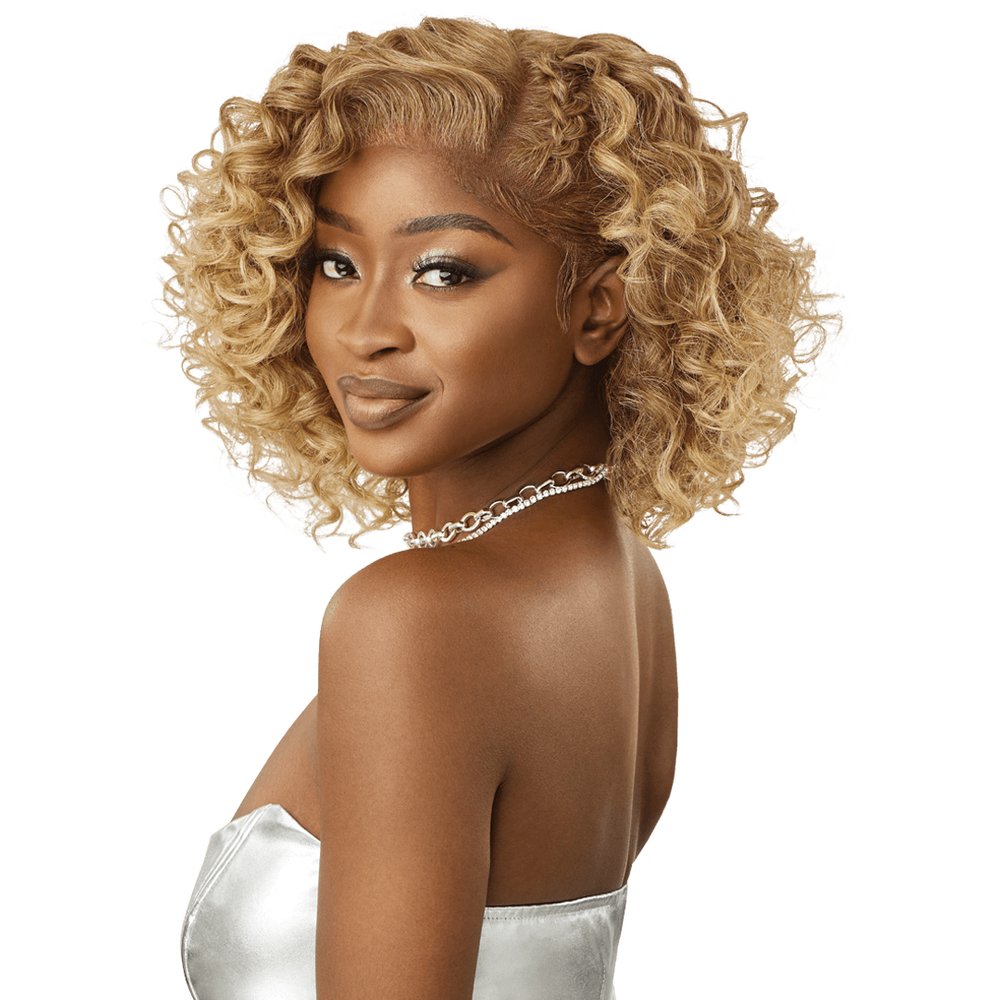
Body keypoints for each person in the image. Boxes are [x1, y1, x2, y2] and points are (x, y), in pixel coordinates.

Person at [162, 16, 838, 1000]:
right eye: (336, 263)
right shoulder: (620, 578)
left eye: (443, 272)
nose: (364, 329)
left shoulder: (416, 618)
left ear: (599, 308)